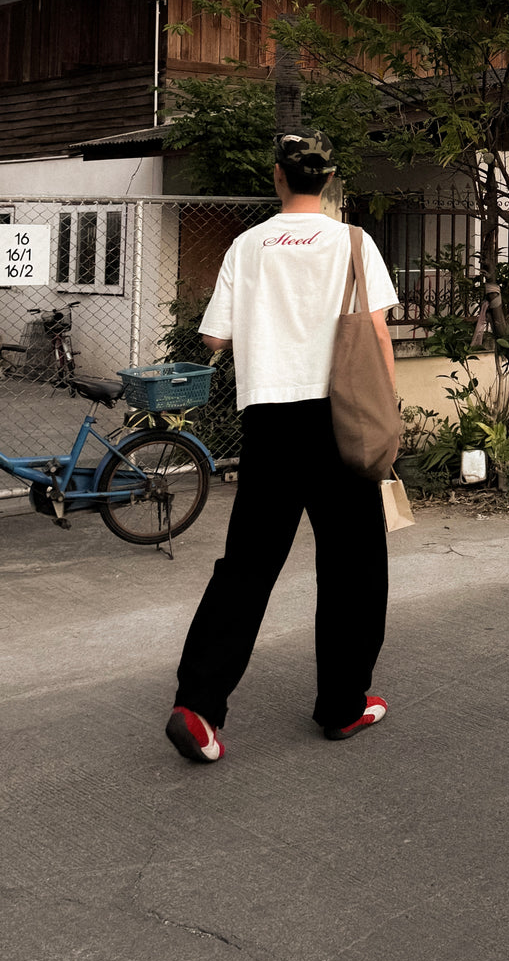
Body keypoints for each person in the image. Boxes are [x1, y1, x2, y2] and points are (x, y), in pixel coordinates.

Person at [165, 130, 399, 764]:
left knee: (247, 565)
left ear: (277, 177)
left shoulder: (248, 245)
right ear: (326, 181)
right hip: (342, 418)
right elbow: (377, 334)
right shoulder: (354, 241)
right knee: (353, 564)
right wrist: (389, 417)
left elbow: (214, 339)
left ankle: (199, 706)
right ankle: (344, 706)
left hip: (270, 418)